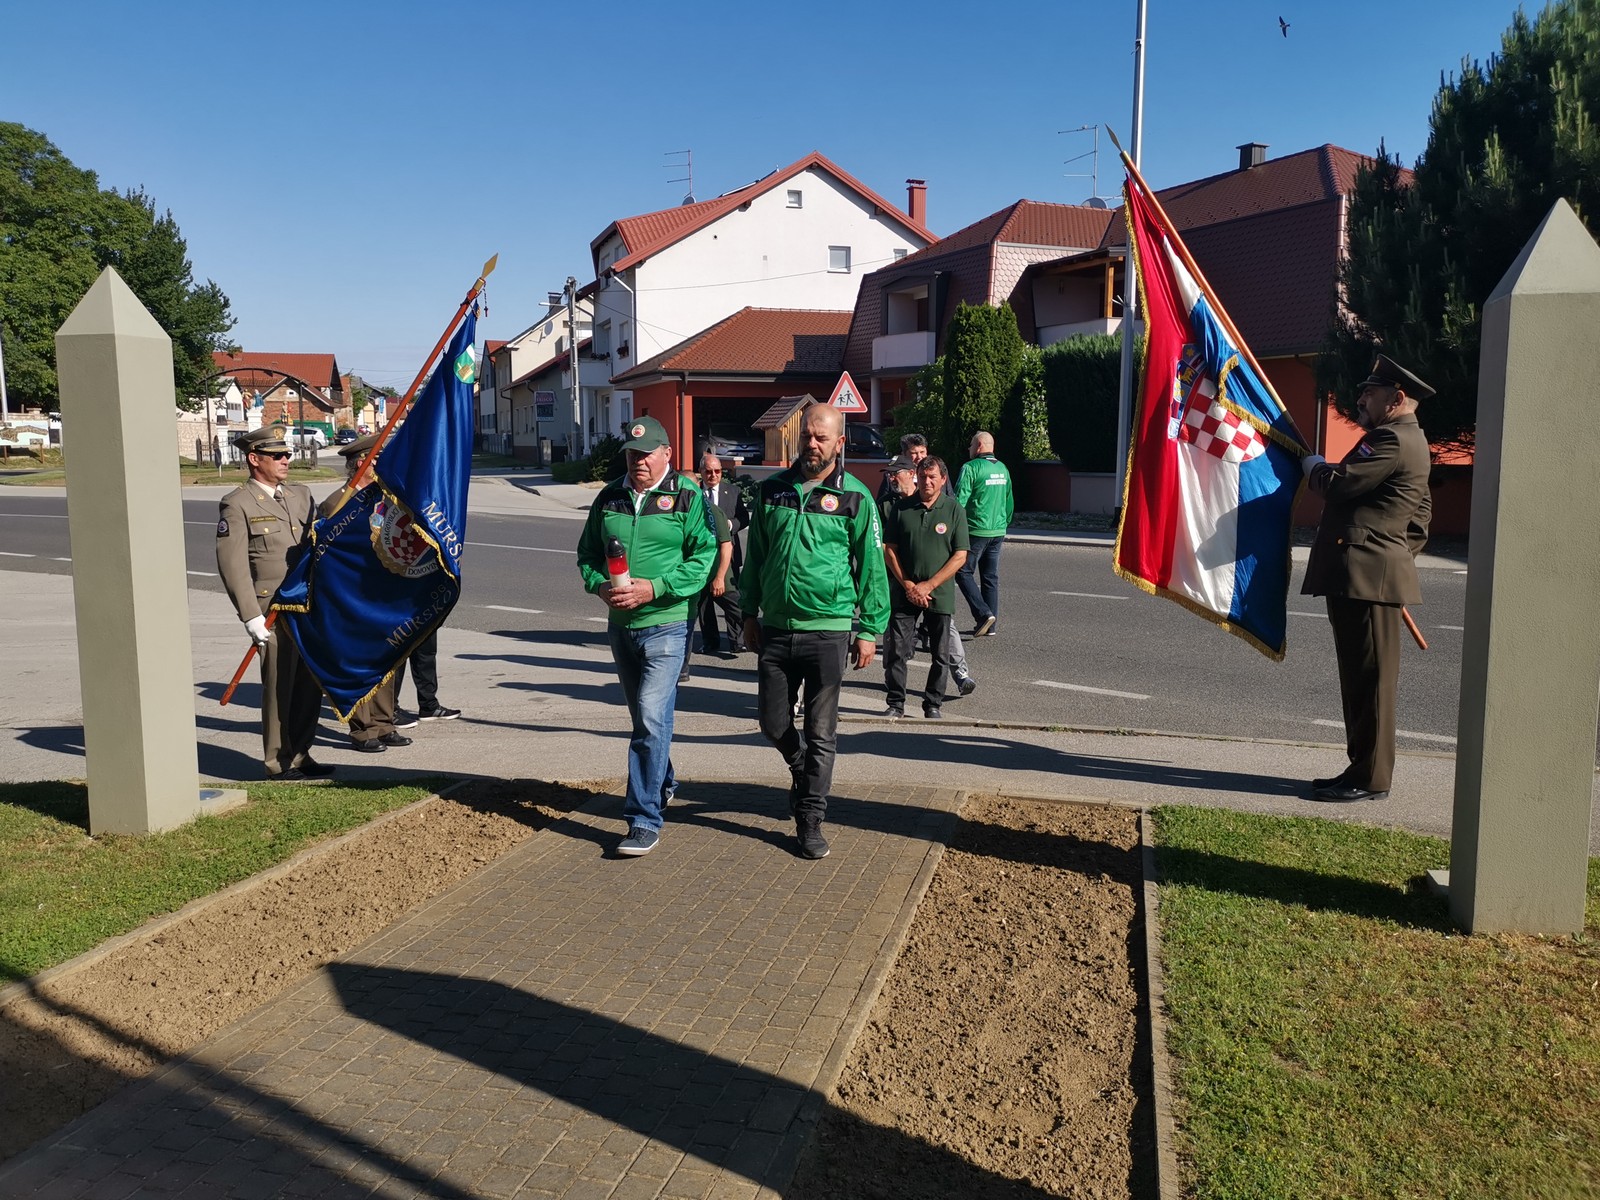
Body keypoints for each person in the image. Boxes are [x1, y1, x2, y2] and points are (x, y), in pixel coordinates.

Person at [742, 403, 890, 860]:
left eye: (822, 437)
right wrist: (748, 611)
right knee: (772, 722)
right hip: (776, 629)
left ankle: (809, 819)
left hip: (827, 630)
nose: (812, 444)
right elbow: (757, 559)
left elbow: (871, 567)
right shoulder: (771, 492)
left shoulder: (855, 497)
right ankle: (800, 764)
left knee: (822, 731)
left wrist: (870, 629)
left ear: (839, 443)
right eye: (807, 435)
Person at [577, 416, 716, 856]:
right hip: (622, 629)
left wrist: (656, 588)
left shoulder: (687, 497)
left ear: (667, 454)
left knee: (652, 718)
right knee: (644, 719)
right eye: (633, 454)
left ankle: (643, 819)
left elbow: (705, 556)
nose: (638, 461)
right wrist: (599, 585)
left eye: (647, 453)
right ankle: (665, 780)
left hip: (669, 623)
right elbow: (586, 554)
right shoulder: (610, 496)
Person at [1300, 354, 1434, 803]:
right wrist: (1394, 553)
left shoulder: (1392, 439)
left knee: (1371, 682)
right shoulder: (1407, 441)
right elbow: (1421, 518)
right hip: (1368, 574)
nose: (1361, 399)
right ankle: (1359, 768)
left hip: (1367, 577)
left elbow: (1339, 484)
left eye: (1370, 393)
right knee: (1360, 679)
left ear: (1396, 399)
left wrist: (1314, 466)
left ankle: (1371, 777)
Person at [215, 425, 331, 781]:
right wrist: (250, 616)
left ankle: (300, 753)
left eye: (287, 454)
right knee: (280, 686)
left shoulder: (300, 494)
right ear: (254, 459)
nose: (286, 460)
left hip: (306, 605)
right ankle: (277, 762)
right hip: (272, 611)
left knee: (309, 685)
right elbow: (232, 564)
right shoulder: (238, 503)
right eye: (277, 455)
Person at [321, 433, 413, 754]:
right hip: (352, 597)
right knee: (358, 664)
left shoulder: (387, 499)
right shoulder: (337, 503)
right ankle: (362, 730)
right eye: (376, 460)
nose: (380, 465)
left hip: (383, 594)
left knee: (384, 661)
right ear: (361, 463)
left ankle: (385, 723)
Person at [882, 456, 969, 720]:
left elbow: (960, 555)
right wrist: (908, 584)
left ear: (943, 479)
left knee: (940, 654)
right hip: (905, 591)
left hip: (938, 592)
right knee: (897, 650)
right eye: (923, 476)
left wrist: (929, 585)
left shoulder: (954, 510)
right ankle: (896, 703)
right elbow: (889, 550)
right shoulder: (902, 508)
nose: (927, 482)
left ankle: (933, 704)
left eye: (933, 477)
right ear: (916, 477)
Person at [954, 431, 1014, 637]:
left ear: (979, 446)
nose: (969, 448)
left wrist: (954, 527)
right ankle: (991, 625)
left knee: (962, 572)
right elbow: (1009, 500)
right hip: (998, 530)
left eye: (971, 445)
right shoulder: (1003, 468)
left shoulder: (970, 468)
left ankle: (983, 614)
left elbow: (960, 500)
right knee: (990, 578)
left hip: (975, 529)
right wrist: (1004, 523)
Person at [696, 453, 748, 655]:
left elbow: (743, 518)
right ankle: (710, 641)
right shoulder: (694, 493)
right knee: (704, 601)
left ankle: (738, 640)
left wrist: (731, 525)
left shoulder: (732, 491)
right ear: (701, 473)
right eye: (708, 472)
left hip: (729, 554)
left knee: (732, 597)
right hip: (703, 554)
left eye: (717, 471)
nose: (713, 475)